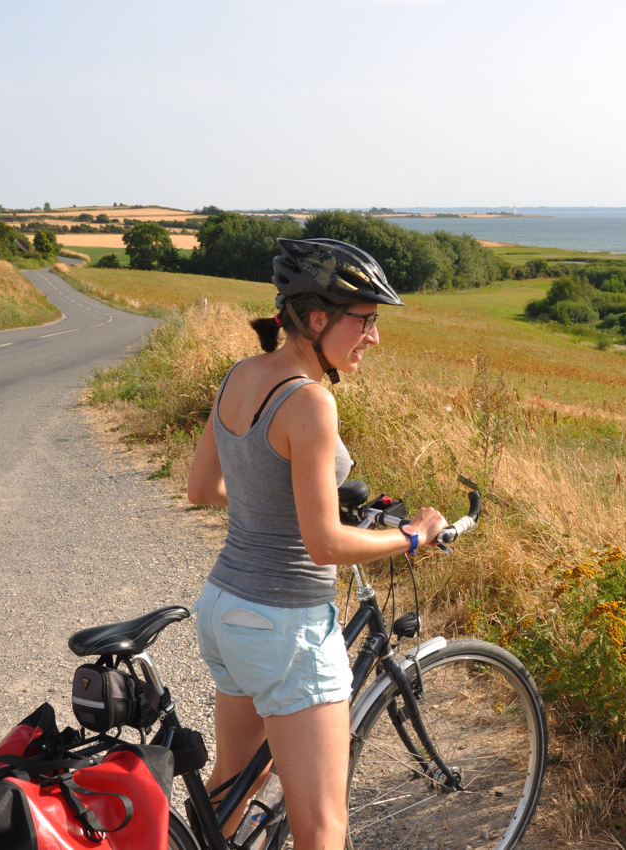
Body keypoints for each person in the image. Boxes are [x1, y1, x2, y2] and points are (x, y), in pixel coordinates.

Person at [186, 238, 448, 850]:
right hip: (286, 626)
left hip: (225, 608)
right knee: (324, 827)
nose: (374, 337)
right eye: (365, 320)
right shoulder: (310, 400)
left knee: (234, 786)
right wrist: (412, 536)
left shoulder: (240, 375)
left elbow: (203, 487)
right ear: (318, 318)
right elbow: (324, 544)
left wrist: (285, 508)